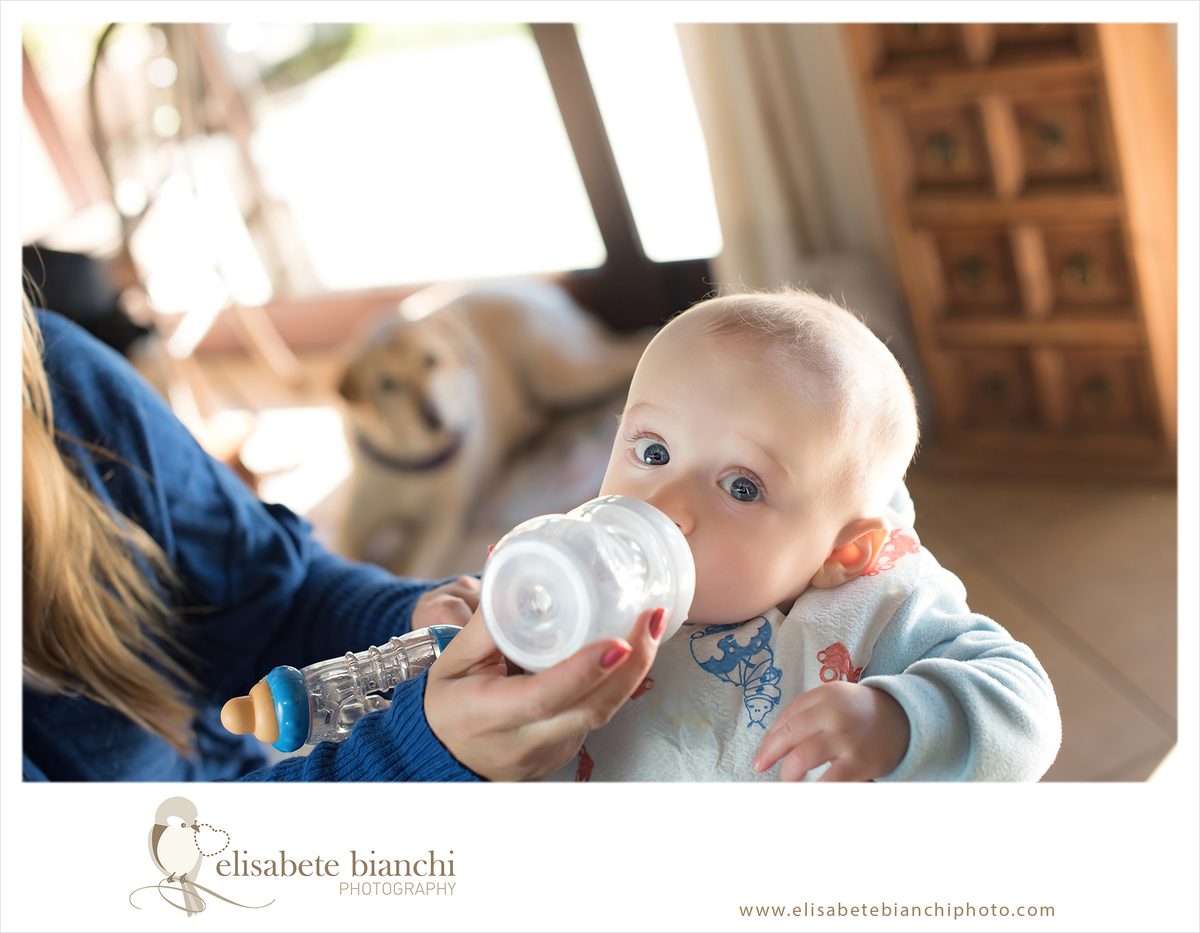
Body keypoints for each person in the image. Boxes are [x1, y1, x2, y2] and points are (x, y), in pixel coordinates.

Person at [21, 300, 665, 782]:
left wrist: (410, 615)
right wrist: (417, 761)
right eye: (655, 454)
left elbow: (277, 591)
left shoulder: (55, 381)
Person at [537, 288, 1061, 782]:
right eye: (654, 452)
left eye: (741, 487)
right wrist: (462, 613)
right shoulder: (582, 568)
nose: (664, 507)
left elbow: (1027, 716)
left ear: (844, 551)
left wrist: (899, 721)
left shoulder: (877, 606)